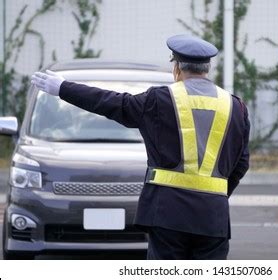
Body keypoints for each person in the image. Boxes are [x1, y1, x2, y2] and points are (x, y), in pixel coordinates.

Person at [31, 34, 250, 259]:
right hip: (213, 217)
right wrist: (216, 195)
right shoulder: (235, 106)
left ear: (176, 68)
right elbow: (242, 163)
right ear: (208, 68)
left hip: (167, 215)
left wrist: (63, 88)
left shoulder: (159, 99)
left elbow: (112, 103)